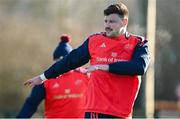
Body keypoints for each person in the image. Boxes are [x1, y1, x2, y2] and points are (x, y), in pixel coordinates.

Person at [24, 2, 150, 119]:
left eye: (112, 22)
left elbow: (140, 67)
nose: (107, 25)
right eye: (105, 21)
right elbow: (70, 61)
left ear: (124, 22)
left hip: (123, 112)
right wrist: (43, 77)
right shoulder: (94, 41)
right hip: (97, 110)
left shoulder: (138, 43)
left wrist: (105, 66)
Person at [17, 34, 89, 118]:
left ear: (71, 61)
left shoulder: (86, 75)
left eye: (64, 61)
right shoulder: (45, 79)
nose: (62, 65)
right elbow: (31, 103)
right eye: (58, 62)